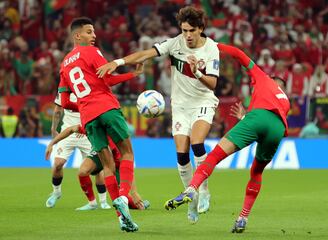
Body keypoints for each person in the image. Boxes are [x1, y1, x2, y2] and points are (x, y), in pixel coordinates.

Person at [97, 6, 220, 223]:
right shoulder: (175, 43)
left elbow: (212, 84)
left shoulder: (211, 49)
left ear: (201, 29)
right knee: (182, 154)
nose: (188, 35)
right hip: (180, 106)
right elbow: (146, 54)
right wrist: (118, 62)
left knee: (197, 144)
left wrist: (197, 72)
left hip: (203, 101)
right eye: (184, 31)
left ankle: (204, 192)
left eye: (192, 30)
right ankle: (190, 198)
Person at [163, 43, 290, 233]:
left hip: (257, 118)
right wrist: (247, 118)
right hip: (277, 128)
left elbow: (239, 54)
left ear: (271, 78)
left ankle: (191, 189)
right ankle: (242, 219)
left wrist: (213, 44)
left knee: (213, 157)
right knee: (256, 173)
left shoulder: (263, 77)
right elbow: (270, 122)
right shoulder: (285, 100)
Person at [57, 17, 143, 232]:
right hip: (106, 108)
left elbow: (66, 102)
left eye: (93, 32)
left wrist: (85, 106)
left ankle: (123, 219)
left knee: (107, 167)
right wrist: (134, 74)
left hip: (87, 117)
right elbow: (109, 79)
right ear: (78, 36)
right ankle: (124, 196)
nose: (93, 35)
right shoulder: (91, 52)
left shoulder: (64, 65)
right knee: (127, 154)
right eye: (89, 32)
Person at [45, 124, 151, 215]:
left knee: (123, 198)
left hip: (116, 160)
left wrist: (134, 192)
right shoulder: (91, 126)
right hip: (99, 152)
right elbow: (70, 129)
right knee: (82, 172)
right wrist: (52, 143)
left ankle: (141, 204)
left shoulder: (112, 136)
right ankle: (92, 203)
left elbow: (126, 165)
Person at [45, 93, 111, 210]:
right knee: (58, 164)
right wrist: (54, 128)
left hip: (86, 133)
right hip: (68, 132)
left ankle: (103, 201)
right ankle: (56, 192)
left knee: (96, 169)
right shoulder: (63, 91)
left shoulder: (88, 90)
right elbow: (57, 110)